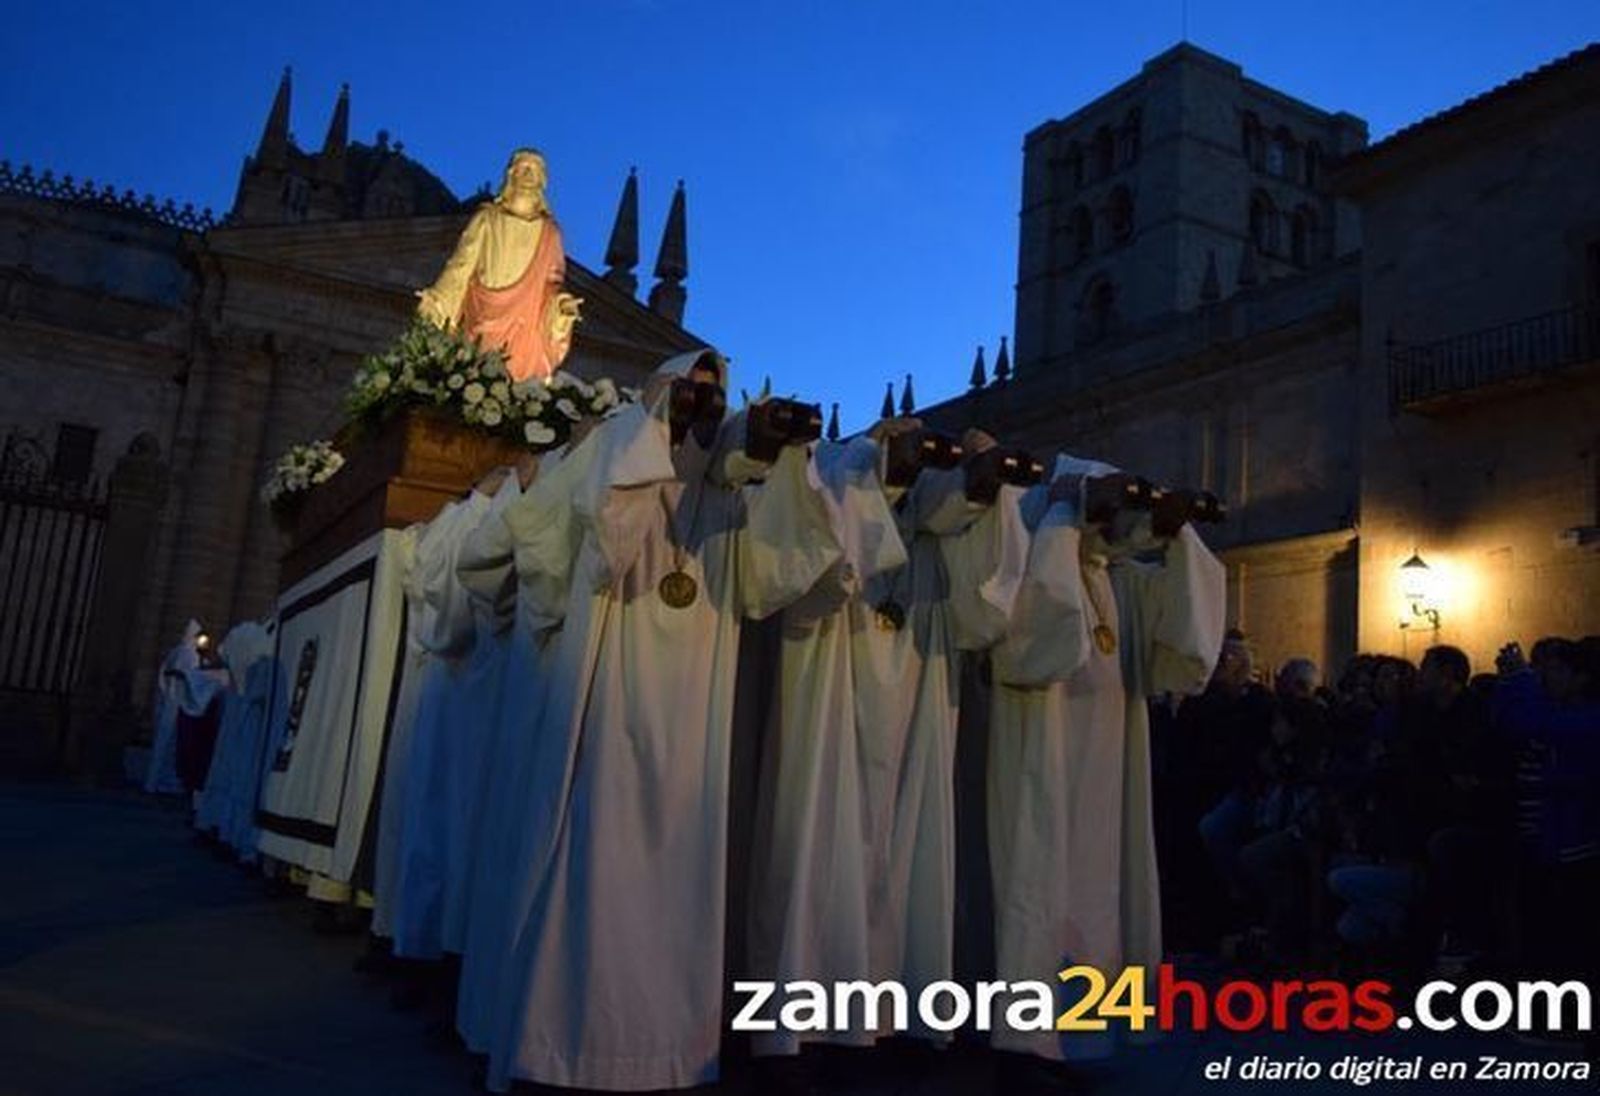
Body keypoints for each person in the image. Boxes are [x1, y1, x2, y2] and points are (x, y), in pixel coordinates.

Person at [487, 350, 842, 1092]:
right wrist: (654, 425)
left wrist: (780, 456)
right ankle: (568, 1048)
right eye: (691, 394)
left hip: (694, 712)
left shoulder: (722, 495)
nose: (702, 408)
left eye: (712, 396)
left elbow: (771, 578)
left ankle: (666, 1054)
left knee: (683, 870)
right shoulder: (619, 450)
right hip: (614, 686)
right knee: (599, 859)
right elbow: (603, 550)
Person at [745, 424, 1029, 1060]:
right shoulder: (841, 499)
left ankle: (900, 1014)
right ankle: (800, 1028)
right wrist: (873, 460)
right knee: (824, 848)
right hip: (833, 703)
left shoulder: (930, 544)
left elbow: (986, 608)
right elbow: (814, 568)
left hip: (916, 706)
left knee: (908, 852)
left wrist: (986, 485)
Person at [985, 457, 1226, 1066]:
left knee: (1100, 890)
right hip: (1044, 751)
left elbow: (1188, 650)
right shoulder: (1038, 557)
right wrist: (1065, 518)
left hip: (1107, 768)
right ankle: (1029, 1043)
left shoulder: (1119, 580)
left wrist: (1178, 539)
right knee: (1040, 884)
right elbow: (1033, 646)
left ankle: (1086, 1037)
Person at [416, 148, 581, 383]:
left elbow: (553, 280)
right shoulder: (487, 219)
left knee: (514, 387)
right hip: (482, 316)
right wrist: (439, 300)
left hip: (526, 327)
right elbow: (461, 266)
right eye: (523, 168)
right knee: (476, 378)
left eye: (534, 171)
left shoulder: (550, 233)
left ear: (542, 181)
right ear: (510, 175)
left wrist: (560, 306)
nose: (528, 175)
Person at [143, 620, 203, 794]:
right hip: (176, 703)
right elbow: (188, 678)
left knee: (166, 744)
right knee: (168, 743)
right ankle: (156, 782)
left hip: (169, 702)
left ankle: (160, 780)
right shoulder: (188, 654)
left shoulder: (175, 652)